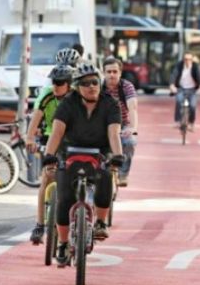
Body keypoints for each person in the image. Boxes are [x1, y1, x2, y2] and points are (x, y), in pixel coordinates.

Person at [41, 63, 124, 266]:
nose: (92, 86)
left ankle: (101, 222)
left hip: (99, 151)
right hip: (70, 151)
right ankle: (62, 243)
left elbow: (113, 133)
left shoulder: (110, 104)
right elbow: (57, 132)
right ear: (77, 87)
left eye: (95, 82)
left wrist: (117, 155)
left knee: (105, 177)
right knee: (64, 198)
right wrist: (49, 155)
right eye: (86, 83)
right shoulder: (68, 103)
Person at [26, 63, 74, 244]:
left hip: (71, 139)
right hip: (49, 139)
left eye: (60, 83)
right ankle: (39, 224)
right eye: (54, 82)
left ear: (69, 84)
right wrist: (29, 138)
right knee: (46, 178)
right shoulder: (47, 95)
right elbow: (36, 117)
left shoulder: (76, 97)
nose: (56, 86)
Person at [102, 56, 138, 188]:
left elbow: (132, 107)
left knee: (130, 142)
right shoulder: (98, 86)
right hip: (102, 124)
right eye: (109, 72)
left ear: (120, 73)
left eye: (115, 72)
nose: (112, 75)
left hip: (123, 125)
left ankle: (123, 174)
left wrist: (132, 128)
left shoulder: (127, 86)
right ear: (103, 73)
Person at [169, 52, 200, 132]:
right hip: (181, 88)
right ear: (183, 60)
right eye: (185, 59)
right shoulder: (179, 65)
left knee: (192, 106)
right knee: (178, 100)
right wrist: (172, 85)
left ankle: (191, 123)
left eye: (189, 59)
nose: (187, 61)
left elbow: (199, 77)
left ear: (192, 60)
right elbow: (174, 75)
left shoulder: (195, 66)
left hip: (192, 89)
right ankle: (177, 121)